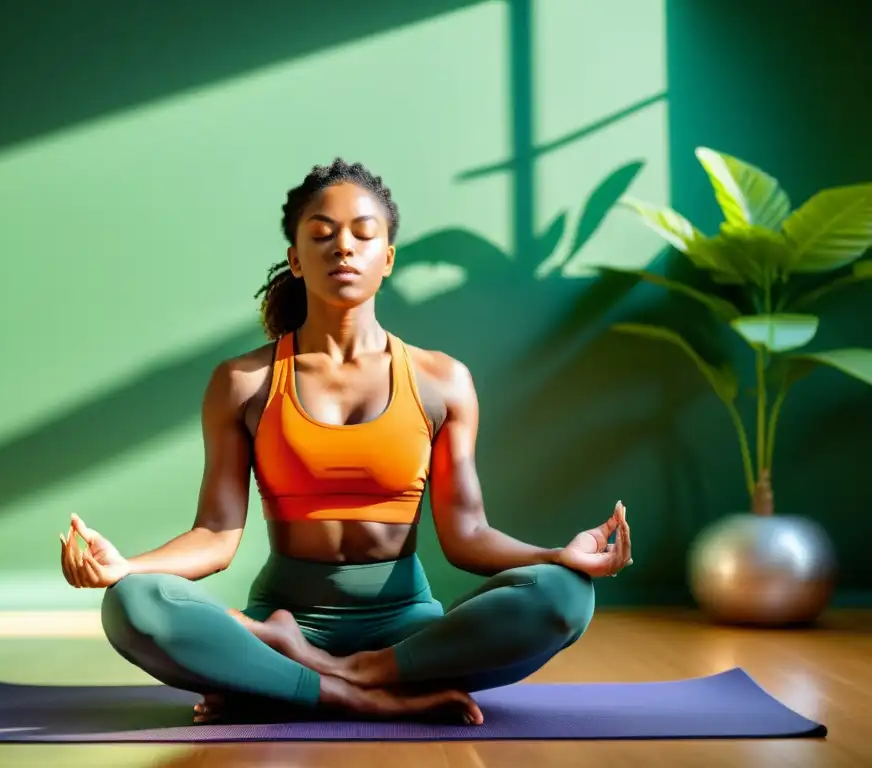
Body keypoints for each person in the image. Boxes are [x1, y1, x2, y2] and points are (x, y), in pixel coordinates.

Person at [58, 159, 633, 726]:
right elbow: (215, 535)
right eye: (321, 235)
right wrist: (125, 567)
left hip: (405, 628)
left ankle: (305, 678)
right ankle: (354, 695)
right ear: (296, 260)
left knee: (565, 596)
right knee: (132, 605)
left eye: (363, 234)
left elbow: (468, 536)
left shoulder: (441, 380)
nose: (342, 247)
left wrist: (557, 556)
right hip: (285, 615)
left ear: (388, 260)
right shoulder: (243, 382)